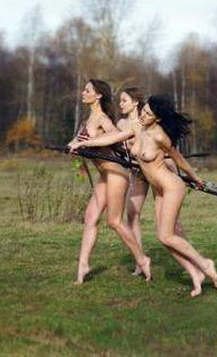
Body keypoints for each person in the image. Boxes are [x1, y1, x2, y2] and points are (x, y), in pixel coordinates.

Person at [71, 95, 217, 297]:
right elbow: (111, 138)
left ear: (157, 118)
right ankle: (196, 274)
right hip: (159, 189)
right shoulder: (137, 127)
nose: (143, 115)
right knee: (165, 238)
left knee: (166, 235)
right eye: (143, 111)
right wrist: (84, 144)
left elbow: (178, 159)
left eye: (148, 114)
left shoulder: (159, 136)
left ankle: (205, 263)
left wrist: (195, 177)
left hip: (172, 187)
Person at [67, 79, 151, 284]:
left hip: (116, 174)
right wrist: (73, 146)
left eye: (87, 90)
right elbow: (78, 142)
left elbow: (114, 136)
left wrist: (86, 143)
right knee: (90, 218)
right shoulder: (87, 120)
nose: (83, 92)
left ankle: (142, 259)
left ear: (98, 95)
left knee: (114, 221)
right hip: (104, 176)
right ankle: (83, 265)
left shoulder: (103, 119)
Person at [116, 87, 201, 286]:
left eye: (124, 100)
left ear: (135, 103)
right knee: (133, 214)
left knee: (168, 228)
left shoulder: (151, 126)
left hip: (160, 177)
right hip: (139, 173)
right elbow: (115, 140)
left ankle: (196, 263)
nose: (120, 104)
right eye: (120, 100)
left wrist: (192, 177)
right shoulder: (123, 124)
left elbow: (172, 156)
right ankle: (140, 261)